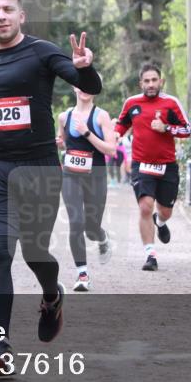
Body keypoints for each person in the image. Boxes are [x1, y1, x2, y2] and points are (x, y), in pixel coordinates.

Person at [0, 0, 102, 375]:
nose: (0, 16)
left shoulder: (42, 52)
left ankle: (52, 296)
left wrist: (85, 68)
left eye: (7, 9)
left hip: (37, 168)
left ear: (21, 15)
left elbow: (87, 84)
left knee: (35, 253)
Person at [114, 63, 191, 271]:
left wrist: (165, 128)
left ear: (161, 81)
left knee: (165, 211)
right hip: (142, 164)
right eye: (146, 81)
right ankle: (150, 255)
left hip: (167, 166)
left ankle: (161, 222)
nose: (150, 84)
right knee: (145, 206)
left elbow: (187, 130)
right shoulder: (132, 103)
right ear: (141, 83)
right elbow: (122, 124)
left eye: (154, 80)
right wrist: (116, 134)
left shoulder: (171, 103)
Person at [55, 87, 116, 292]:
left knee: (91, 228)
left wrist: (87, 133)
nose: (84, 89)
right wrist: (59, 143)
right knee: (76, 222)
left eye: (89, 85)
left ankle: (102, 237)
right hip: (71, 175)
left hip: (96, 177)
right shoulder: (64, 117)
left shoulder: (101, 116)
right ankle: (82, 274)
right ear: (73, 87)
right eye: (81, 84)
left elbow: (111, 149)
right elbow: (64, 142)